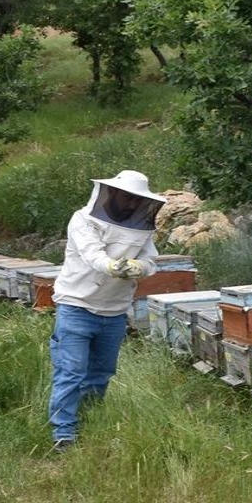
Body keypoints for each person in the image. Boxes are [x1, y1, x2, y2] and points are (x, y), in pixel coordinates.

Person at [47, 170, 166, 452]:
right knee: (72, 372)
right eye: (126, 196)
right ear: (111, 193)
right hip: (77, 307)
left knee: (101, 374)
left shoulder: (142, 227)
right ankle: (64, 434)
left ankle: (89, 425)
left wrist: (140, 268)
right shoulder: (83, 220)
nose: (130, 203)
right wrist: (113, 266)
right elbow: (92, 255)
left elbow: (152, 260)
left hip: (114, 312)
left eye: (136, 199)